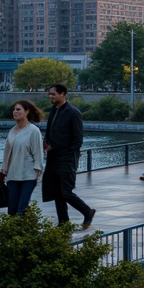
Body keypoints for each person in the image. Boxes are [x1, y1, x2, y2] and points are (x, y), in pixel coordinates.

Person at [41, 83, 95, 230]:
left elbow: (78, 139)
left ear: (63, 94)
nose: (50, 97)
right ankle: (63, 222)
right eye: (49, 94)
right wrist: (46, 143)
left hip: (66, 158)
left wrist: (70, 154)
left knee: (66, 192)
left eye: (53, 94)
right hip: (53, 157)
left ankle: (87, 211)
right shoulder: (54, 110)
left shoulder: (73, 112)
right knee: (57, 192)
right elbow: (50, 131)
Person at [0, 99, 43, 215]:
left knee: (21, 208)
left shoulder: (34, 131)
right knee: (12, 209)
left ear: (27, 112)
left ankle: (24, 229)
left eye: (18, 109)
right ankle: (18, 231)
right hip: (12, 176)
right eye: (14, 109)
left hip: (28, 176)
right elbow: (7, 153)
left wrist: (37, 171)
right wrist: (4, 170)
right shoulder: (11, 131)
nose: (15, 112)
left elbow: (38, 153)